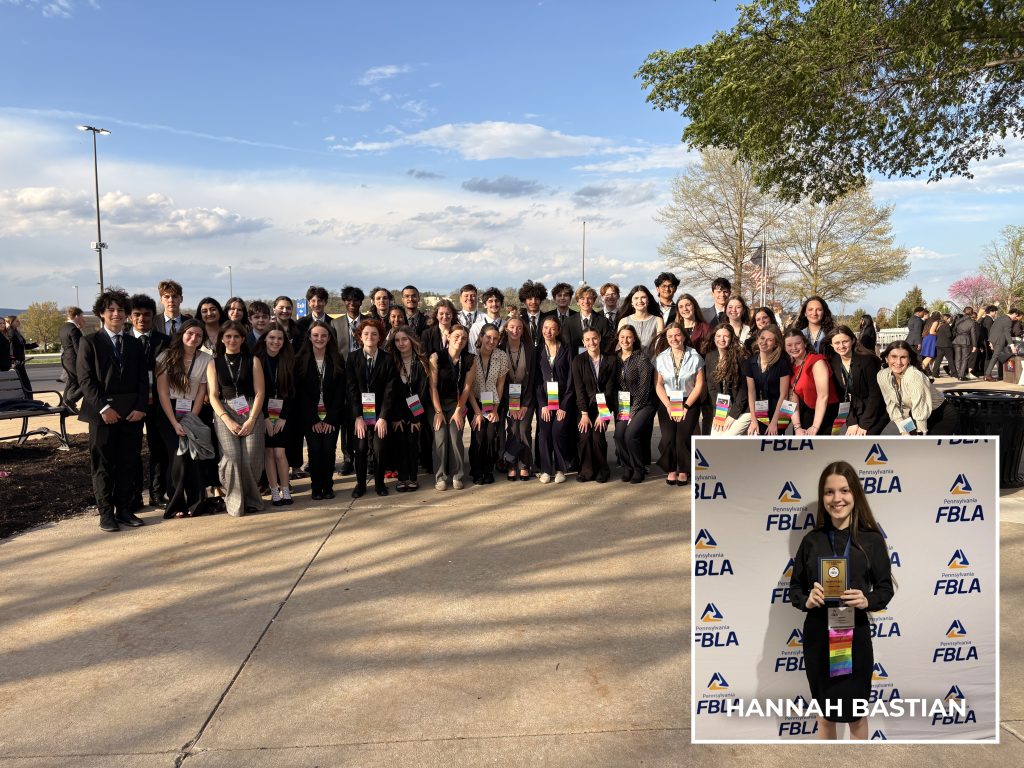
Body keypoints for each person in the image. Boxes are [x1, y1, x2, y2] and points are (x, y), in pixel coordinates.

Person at [789, 460, 894, 740]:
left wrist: (866, 600)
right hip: (819, 637)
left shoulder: (871, 540)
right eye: (829, 492)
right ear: (823, 497)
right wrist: (807, 599)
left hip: (854, 636)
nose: (837, 499)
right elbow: (794, 589)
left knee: (856, 718)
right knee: (825, 717)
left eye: (844, 490)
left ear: (855, 494)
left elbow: (885, 589)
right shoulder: (812, 540)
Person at [76, 289, 149, 532]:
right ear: (101, 314)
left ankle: (125, 509)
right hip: (102, 415)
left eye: (120, 310)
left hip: (131, 415)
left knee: (128, 462)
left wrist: (140, 407)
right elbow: (85, 381)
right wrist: (104, 408)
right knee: (103, 464)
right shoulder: (89, 342)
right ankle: (106, 513)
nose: (116, 314)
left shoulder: (134, 343)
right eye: (111, 310)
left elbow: (142, 379)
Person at [207, 320, 266, 516]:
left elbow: (260, 393)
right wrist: (226, 418)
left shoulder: (253, 360)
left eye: (236, 337)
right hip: (225, 411)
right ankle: (234, 502)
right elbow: (213, 395)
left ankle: (252, 500)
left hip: (251, 410)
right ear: (222, 339)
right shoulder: (213, 363)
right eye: (228, 336)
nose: (232, 340)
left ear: (242, 339)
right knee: (232, 457)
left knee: (250, 457)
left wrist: (251, 419)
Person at [155, 320, 213, 518]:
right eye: (190, 333)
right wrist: (174, 423)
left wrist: (190, 420)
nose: (194, 338)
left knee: (194, 457)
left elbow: (201, 391)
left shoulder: (206, 359)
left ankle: (196, 503)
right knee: (178, 457)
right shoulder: (165, 357)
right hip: (169, 412)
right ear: (182, 334)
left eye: (198, 335)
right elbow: (162, 393)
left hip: (192, 412)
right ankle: (176, 503)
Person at [128, 293, 171, 510]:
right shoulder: (123, 341)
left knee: (159, 450)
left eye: (146, 315)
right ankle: (134, 496)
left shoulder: (165, 342)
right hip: (132, 407)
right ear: (130, 316)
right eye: (137, 315)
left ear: (153, 316)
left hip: (158, 404)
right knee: (132, 451)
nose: (142, 319)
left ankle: (157, 493)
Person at [297, 322, 347, 500]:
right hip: (310, 417)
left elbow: (341, 391)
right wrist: (313, 420)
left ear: (329, 338)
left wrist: (331, 418)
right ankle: (316, 487)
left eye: (324, 335)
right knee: (315, 450)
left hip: (331, 416)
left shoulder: (337, 358)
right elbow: (300, 394)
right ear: (309, 336)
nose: (319, 339)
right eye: (316, 335)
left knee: (329, 449)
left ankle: (328, 486)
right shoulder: (300, 359)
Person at [347, 319, 394, 498]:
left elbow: (390, 390)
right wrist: (357, 416)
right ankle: (360, 484)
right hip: (359, 412)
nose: (370, 337)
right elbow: (350, 389)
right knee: (359, 448)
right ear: (360, 336)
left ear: (380, 337)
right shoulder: (352, 358)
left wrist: (383, 417)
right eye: (366, 333)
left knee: (379, 448)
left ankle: (380, 483)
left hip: (380, 413)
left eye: (374, 334)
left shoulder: (387, 359)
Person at [653, 323, 704, 486]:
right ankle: (671, 469)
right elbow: (658, 384)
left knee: (682, 437)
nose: (673, 339)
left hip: (688, 401)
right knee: (668, 437)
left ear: (683, 336)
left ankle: (683, 470)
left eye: (677, 335)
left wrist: (686, 406)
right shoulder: (661, 358)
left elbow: (699, 384)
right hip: (668, 401)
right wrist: (668, 405)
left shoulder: (695, 356)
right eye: (670, 336)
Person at [254, 324, 296, 506]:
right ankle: (274, 491)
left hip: (283, 415)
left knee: (280, 453)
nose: (275, 342)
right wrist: (263, 417)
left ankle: (285, 489)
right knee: (268, 453)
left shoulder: (288, 359)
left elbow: (293, 392)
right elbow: (256, 392)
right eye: (272, 338)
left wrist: (283, 417)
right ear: (265, 338)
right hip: (262, 414)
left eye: (280, 338)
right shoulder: (257, 360)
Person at [877, 341, 958, 435]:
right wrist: (903, 431)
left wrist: (920, 435)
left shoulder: (914, 376)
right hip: (914, 415)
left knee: (924, 447)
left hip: (940, 416)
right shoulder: (882, 375)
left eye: (903, 357)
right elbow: (891, 405)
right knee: (898, 437)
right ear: (887, 358)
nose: (898, 362)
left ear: (909, 360)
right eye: (894, 357)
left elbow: (920, 408)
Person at [429, 324, 475, 491]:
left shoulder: (470, 359)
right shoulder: (436, 357)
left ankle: (457, 475)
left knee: (455, 438)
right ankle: (440, 477)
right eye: (456, 336)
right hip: (438, 404)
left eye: (463, 338)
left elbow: (467, 388)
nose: (460, 340)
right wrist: (438, 412)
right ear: (448, 337)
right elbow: (432, 386)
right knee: (440, 438)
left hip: (457, 404)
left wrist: (458, 410)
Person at [571, 328, 617, 482]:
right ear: (583, 342)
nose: (592, 342)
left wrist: (602, 414)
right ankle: (586, 471)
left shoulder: (610, 360)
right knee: (584, 436)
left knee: (598, 435)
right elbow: (579, 390)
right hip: (584, 408)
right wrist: (584, 414)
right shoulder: (578, 361)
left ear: (599, 339)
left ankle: (602, 470)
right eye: (588, 339)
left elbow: (610, 390)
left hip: (603, 407)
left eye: (595, 338)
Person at [331, 285, 367, 477]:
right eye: (349, 300)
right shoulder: (335, 324)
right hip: (344, 378)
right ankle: (347, 458)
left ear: (361, 302)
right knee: (347, 420)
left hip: (365, 376)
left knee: (366, 415)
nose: (352, 304)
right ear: (344, 302)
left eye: (356, 300)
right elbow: (334, 352)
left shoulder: (369, 322)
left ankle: (367, 456)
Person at [389, 326, 431, 492]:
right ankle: (402, 478)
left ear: (412, 340)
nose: (401, 343)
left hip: (416, 410)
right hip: (397, 411)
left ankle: (412, 477)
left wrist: (416, 418)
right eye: (397, 340)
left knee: (413, 442)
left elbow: (422, 391)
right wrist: (396, 416)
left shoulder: (421, 361)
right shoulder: (391, 361)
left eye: (404, 339)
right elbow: (390, 392)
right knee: (400, 443)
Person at [824, 326, 886, 436]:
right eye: (837, 343)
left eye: (845, 341)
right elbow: (842, 395)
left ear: (852, 340)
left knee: (864, 440)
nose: (841, 346)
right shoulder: (834, 362)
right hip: (855, 408)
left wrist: (864, 425)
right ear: (831, 345)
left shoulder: (867, 360)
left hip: (876, 408)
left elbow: (875, 394)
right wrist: (852, 421)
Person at [613, 325, 655, 484]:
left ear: (634, 339)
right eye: (622, 337)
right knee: (618, 435)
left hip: (644, 403)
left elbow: (644, 389)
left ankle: (639, 468)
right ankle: (627, 466)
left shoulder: (641, 358)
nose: (625, 340)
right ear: (618, 339)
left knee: (631, 435)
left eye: (629, 337)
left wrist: (633, 413)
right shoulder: (615, 358)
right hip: (624, 402)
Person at [469, 323, 510, 484]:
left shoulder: (501, 356)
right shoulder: (471, 356)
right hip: (474, 401)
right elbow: (468, 388)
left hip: (492, 401)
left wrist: (495, 409)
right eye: (488, 337)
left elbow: (500, 385)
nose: (491, 341)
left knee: (491, 434)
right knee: (479, 434)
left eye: (495, 338)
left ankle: (488, 469)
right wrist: (478, 413)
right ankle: (477, 470)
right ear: (481, 337)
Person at [535, 316, 574, 484]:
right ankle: (545, 469)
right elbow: (536, 381)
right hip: (545, 401)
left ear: (558, 331)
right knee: (544, 432)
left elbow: (572, 380)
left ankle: (560, 469)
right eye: (545, 328)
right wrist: (543, 404)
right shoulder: (537, 351)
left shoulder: (567, 349)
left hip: (563, 400)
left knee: (558, 431)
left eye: (552, 328)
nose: (548, 331)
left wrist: (564, 406)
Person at [498, 315, 535, 481]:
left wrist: (525, 404)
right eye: (512, 327)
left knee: (524, 429)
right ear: (506, 329)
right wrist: (511, 405)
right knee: (512, 429)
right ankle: (511, 464)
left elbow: (533, 378)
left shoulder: (529, 348)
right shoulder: (500, 348)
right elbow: (501, 381)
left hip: (527, 395)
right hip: (507, 394)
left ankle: (524, 465)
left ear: (523, 330)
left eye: (519, 328)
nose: (515, 330)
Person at [784, 329, 840, 436]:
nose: (794, 348)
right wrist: (797, 427)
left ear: (804, 343)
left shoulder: (816, 361)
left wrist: (815, 427)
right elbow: (792, 398)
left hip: (826, 412)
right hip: (807, 410)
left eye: (797, 343)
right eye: (789, 345)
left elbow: (823, 396)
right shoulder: (790, 365)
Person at [700, 323, 751, 435]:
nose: (721, 339)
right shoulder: (710, 357)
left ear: (732, 338)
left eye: (726, 336)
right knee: (715, 438)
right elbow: (712, 388)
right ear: (714, 338)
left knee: (727, 437)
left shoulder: (741, 357)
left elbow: (744, 391)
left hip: (743, 409)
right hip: (722, 408)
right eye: (718, 336)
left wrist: (732, 415)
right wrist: (721, 413)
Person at [743, 325, 792, 436]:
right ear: (758, 339)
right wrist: (753, 420)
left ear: (776, 344)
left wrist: (774, 422)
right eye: (762, 338)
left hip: (780, 410)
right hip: (760, 409)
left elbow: (784, 395)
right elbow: (751, 392)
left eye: (769, 340)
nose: (764, 342)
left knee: (774, 442)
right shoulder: (750, 363)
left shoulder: (782, 363)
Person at [562, 285, 612, 355]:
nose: (586, 301)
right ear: (578, 302)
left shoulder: (603, 321)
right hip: (575, 361)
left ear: (593, 301)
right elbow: (566, 345)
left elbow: (606, 344)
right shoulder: (568, 322)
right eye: (582, 298)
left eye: (589, 298)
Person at [617, 285, 664, 356]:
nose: (640, 301)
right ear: (631, 302)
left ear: (648, 301)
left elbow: (659, 347)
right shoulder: (624, 321)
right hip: (627, 364)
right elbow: (620, 346)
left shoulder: (658, 321)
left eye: (643, 297)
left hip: (652, 363)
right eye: (636, 298)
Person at [59, 306, 86, 408]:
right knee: (85, 381)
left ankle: (64, 404)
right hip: (73, 359)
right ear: (77, 316)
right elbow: (78, 349)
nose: (82, 318)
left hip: (66, 359)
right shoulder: (74, 329)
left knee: (71, 381)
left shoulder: (64, 327)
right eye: (81, 316)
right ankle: (70, 401)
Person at [986, 307, 1022, 382]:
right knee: (995, 357)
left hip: (994, 340)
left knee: (997, 357)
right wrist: (1012, 346)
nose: (1015, 317)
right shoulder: (1008, 321)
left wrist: (990, 341)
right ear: (1014, 313)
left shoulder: (1000, 318)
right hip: (999, 341)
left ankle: (995, 375)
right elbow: (1007, 333)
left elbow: (992, 329)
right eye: (1016, 315)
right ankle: (988, 375)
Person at [6, 315, 37, 393]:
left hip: (20, 362)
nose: (19, 322)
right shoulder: (10, 332)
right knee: (22, 383)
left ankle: (28, 399)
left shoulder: (16, 332)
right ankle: (26, 400)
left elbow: (22, 346)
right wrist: (14, 360)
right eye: (16, 321)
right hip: (16, 362)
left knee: (25, 383)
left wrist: (34, 345)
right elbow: (11, 345)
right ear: (11, 322)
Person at [952, 307, 980, 381]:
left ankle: (959, 374)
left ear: (964, 311)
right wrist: (974, 345)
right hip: (965, 340)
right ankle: (961, 375)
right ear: (971, 312)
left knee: (957, 358)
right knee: (965, 358)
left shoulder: (958, 320)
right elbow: (973, 334)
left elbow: (953, 330)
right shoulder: (972, 322)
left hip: (957, 339)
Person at [519, 280, 548, 347]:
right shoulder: (520, 320)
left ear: (541, 300)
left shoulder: (547, 319)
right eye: (530, 298)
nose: (533, 302)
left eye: (537, 298)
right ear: (524, 301)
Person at [930, 313, 954, 379]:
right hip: (947, 345)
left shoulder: (940, 325)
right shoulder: (947, 326)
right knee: (950, 360)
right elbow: (949, 335)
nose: (950, 319)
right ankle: (954, 373)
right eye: (949, 318)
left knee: (938, 360)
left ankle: (935, 373)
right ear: (947, 318)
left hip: (939, 344)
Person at [919, 311, 940, 376]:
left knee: (931, 356)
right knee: (930, 356)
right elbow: (932, 331)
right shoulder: (936, 321)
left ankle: (931, 371)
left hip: (926, 338)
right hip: (931, 339)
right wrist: (938, 333)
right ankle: (920, 369)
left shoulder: (928, 321)